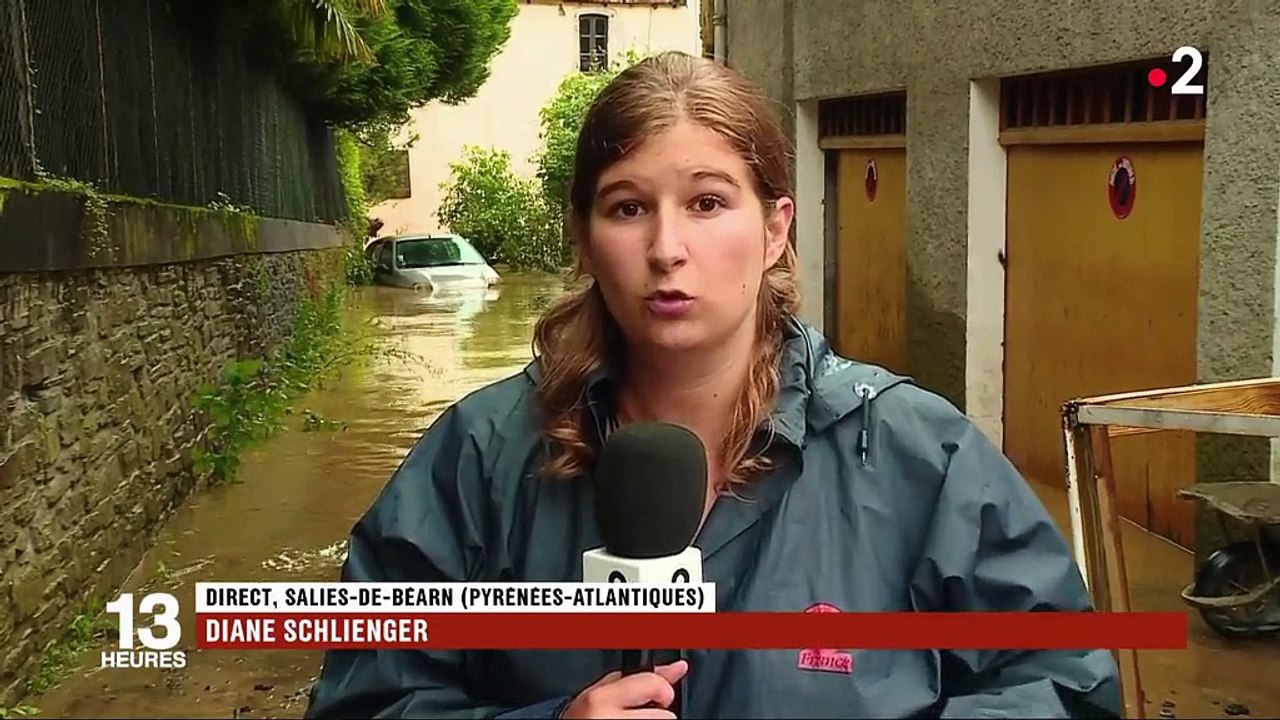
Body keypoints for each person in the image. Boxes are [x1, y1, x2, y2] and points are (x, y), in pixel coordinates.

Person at [305, 51, 1122, 719]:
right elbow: (366, 699)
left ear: (774, 230)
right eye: (627, 208)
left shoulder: (916, 452)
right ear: (583, 241)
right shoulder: (479, 457)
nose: (667, 248)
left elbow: (1068, 683)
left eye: (706, 202)